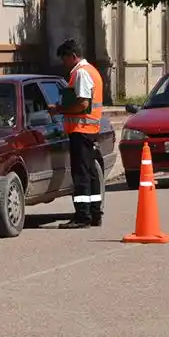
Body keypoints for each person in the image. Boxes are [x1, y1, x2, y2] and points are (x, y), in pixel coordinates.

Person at [50, 38, 105, 228]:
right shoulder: (91, 71)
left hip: (81, 130)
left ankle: (82, 216)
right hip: (89, 129)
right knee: (90, 173)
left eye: (64, 59)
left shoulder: (81, 73)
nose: (63, 63)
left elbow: (83, 103)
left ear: (73, 56)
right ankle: (95, 212)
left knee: (81, 173)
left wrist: (59, 109)